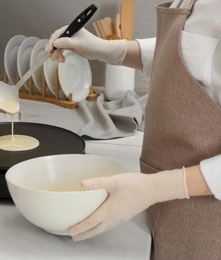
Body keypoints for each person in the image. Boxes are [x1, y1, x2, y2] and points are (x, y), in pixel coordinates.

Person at [45, 0, 221, 259]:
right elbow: (191, 53)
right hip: (166, 209)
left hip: (207, 223)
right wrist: (109, 50)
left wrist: (155, 188)